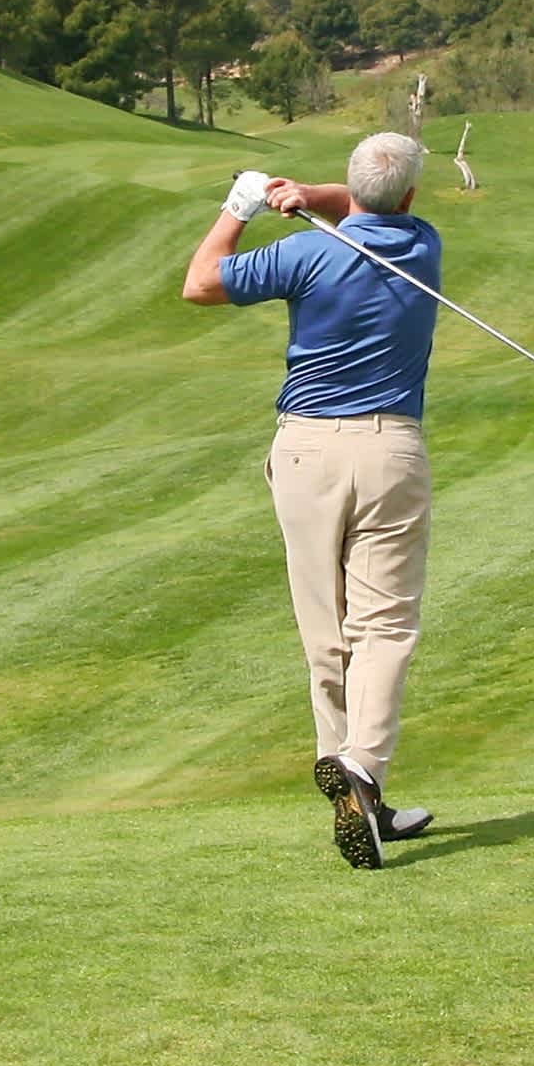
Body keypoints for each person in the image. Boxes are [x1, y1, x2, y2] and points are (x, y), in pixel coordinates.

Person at [181, 131, 443, 869]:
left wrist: (242, 207)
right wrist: (307, 196)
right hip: (391, 450)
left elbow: (200, 281)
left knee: (326, 633)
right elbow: (366, 199)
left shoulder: (304, 254)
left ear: (351, 191)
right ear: (412, 198)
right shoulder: (423, 244)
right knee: (383, 627)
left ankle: (356, 782)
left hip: (305, 452)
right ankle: (363, 775)